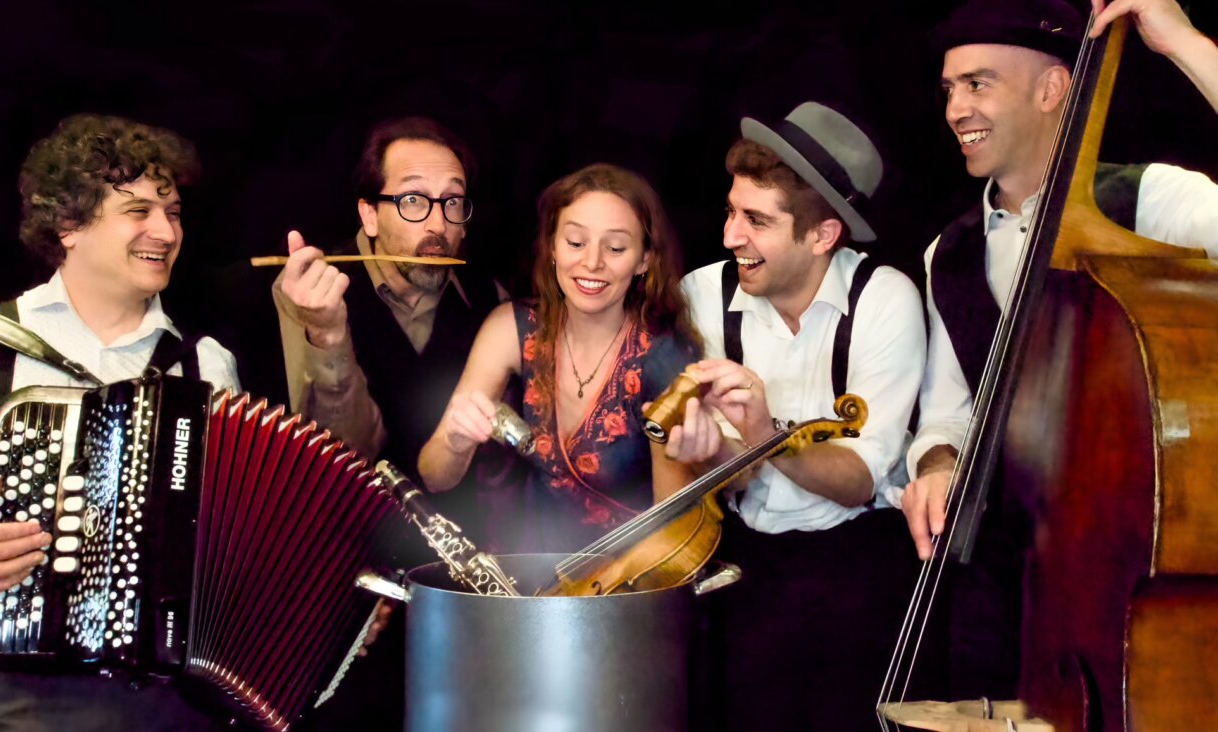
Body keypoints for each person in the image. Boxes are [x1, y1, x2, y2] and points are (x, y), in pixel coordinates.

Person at [900, 0, 1218, 700]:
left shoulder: (1154, 204)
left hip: (1128, 588)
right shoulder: (945, 256)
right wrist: (937, 464)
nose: (956, 108)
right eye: (950, 89)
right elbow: (951, 412)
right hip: (999, 597)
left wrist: (1191, 47)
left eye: (979, 84)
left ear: (1053, 90)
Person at [0, 113, 238, 730]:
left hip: (179, 697)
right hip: (21, 695)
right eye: (138, 210)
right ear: (68, 224)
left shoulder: (207, 364)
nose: (166, 230)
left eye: (172, 213)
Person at [664, 101, 928, 731]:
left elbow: (859, 480)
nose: (731, 236)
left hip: (861, 564)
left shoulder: (883, 300)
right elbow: (723, 476)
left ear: (822, 235)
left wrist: (764, 435)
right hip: (747, 564)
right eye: (732, 212)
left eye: (756, 220)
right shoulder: (703, 296)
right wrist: (710, 453)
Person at [417, 163, 722, 553]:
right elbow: (434, 476)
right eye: (576, 242)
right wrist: (456, 442)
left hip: (625, 588)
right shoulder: (511, 327)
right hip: (529, 575)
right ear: (553, 247)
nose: (592, 263)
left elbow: (674, 536)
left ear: (644, 260)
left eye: (615, 248)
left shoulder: (661, 359)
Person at [273, 116, 508, 539]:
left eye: (452, 202)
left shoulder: (490, 299)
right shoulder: (310, 290)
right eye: (413, 200)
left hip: (456, 551)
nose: (438, 225)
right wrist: (327, 335)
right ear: (370, 216)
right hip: (341, 541)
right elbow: (340, 453)